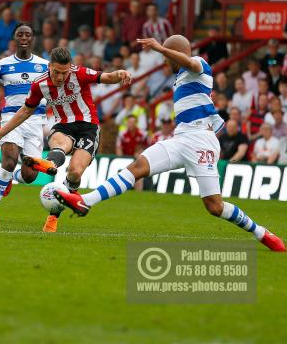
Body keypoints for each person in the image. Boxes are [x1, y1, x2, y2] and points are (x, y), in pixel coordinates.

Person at [54, 35, 285, 252]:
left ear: (176, 53)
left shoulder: (199, 65)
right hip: (181, 138)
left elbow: (189, 62)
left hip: (202, 141)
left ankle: (262, 233)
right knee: (138, 166)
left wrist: (160, 47)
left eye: (167, 57)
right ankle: (85, 201)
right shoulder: (179, 78)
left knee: (215, 206)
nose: (165, 62)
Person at [0, 46, 131, 232]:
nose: (60, 77)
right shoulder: (39, 84)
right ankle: (47, 164)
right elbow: (25, 111)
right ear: (49, 67)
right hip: (63, 126)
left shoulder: (80, 73)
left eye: (64, 72)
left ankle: (53, 216)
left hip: (88, 128)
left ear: (70, 67)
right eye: (56, 72)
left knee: (74, 173)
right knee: (60, 145)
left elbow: (107, 77)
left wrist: (120, 73)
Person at [0, 23, 49, 223]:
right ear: (15, 39)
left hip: (35, 120)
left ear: (32, 38)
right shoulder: (2, 65)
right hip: (11, 118)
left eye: (28, 34)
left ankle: (11, 178)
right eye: (20, 34)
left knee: (30, 176)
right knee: (8, 161)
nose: (24, 37)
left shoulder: (45, 65)